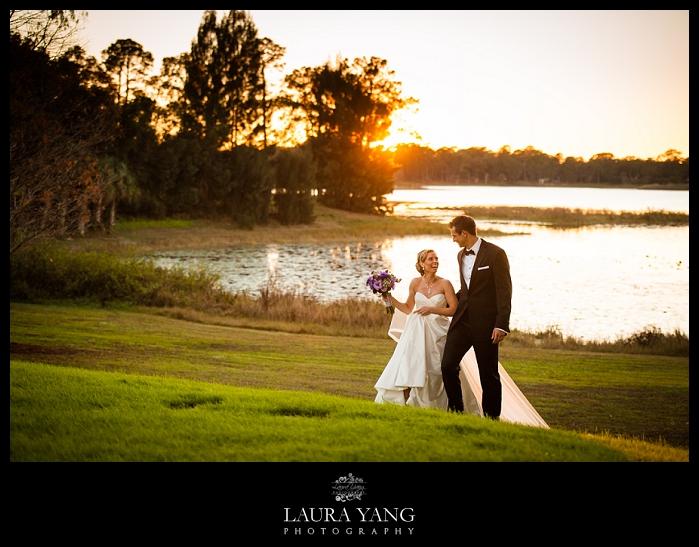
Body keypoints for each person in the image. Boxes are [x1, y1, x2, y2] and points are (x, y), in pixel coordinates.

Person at [440, 214, 511, 419]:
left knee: (488, 374)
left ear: (465, 233)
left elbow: (504, 292)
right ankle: (456, 411)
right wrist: (439, 301)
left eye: (455, 235)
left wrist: (501, 325)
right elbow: (466, 289)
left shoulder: (496, 254)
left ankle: (491, 419)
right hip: (462, 321)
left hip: (487, 325)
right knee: (447, 365)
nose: (453, 239)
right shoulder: (460, 255)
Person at [374, 249, 457, 409]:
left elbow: (454, 309)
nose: (435, 262)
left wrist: (432, 309)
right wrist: (389, 298)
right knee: (409, 364)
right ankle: (407, 402)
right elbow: (407, 308)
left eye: (436, 258)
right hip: (416, 330)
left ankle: (432, 404)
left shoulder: (445, 283)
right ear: (421, 264)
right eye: (430, 259)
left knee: (434, 369)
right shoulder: (415, 283)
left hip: (438, 332)